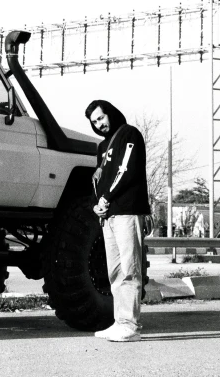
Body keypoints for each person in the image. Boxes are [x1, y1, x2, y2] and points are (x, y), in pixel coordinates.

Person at [86, 100, 150, 342]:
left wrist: (106, 198)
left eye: (101, 118)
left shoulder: (128, 133)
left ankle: (130, 325)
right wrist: (97, 203)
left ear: (110, 113)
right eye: (94, 122)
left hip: (126, 212)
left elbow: (127, 169)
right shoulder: (103, 146)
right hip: (108, 216)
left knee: (129, 269)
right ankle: (119, 321)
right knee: (115, 272)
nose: (99, 124)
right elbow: (99, 179)